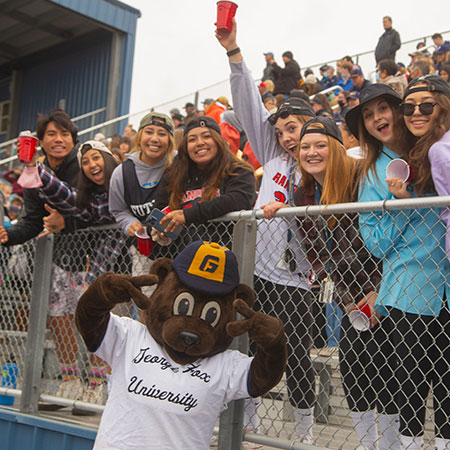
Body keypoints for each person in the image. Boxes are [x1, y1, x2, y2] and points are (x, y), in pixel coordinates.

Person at [263, 117, 400, 450]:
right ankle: (369, 445)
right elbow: (319, 259)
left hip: (389, 289)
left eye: (320, 145)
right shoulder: (304, 193)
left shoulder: (361, 178)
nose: (311, 152)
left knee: (392, 378)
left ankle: (394, 446)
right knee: (354, 373)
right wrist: (349, 300)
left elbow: (393, 236)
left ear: (337, 148)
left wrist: (378, 291)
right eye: (305, 147)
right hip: (351, 299)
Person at [216, 18, 318, 444]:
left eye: (293, 129)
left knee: (297, 360)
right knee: (249, 348)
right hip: (256, 273)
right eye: (280, 132)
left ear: (313, 128)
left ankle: (305, 434)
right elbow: (248, 105)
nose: (286, 137)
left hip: (298, 279)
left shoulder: (324, 161)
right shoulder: (273, 156)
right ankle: (249, 422)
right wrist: (234, 52)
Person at [346, 83, 449, 450]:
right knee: (412, 386)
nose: (378, 120)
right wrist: (401, 203)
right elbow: (375, 243)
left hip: (448, 284)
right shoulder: (373, 174)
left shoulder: (436, 149)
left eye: (383, 109)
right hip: (410, 291)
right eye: (369, 116)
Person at [0, 109, 95, 402]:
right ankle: (70, 382)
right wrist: (9, 235)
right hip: (59, 259)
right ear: (40, 141)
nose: (59, 139)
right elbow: (31, 220)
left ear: (73, 139)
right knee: (60, 318)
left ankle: (96, 385)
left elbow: (100, 212)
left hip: (96, 258)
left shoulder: (86, 165)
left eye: (65, 134)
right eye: (51, 134)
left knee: (94, 318)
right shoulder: (34, 172)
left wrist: (68, 223)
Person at [152, 115, 256, 249]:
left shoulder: (239, 170)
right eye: (192, 139)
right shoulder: (174, 174)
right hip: (184, 258)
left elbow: (238, 199)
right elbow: (160, 208)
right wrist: (162, 229)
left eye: (206, 136)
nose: (199, 142)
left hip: (227, 255)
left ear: (218, 141)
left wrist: (187, 215)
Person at [108, 112, 176, 278]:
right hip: (144, 253)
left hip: (180, 250)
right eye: (149, 132)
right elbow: (118, 209)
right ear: (139, 137)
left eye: (162, 134)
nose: (154, 138)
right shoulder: (122, 172)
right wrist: (129, 222)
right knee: (148, 302)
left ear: (170, 141)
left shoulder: (178, 165)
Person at [402, 74, 450, 263]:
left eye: (426, 105)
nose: (416, 112)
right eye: (408, 107)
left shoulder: (439, 150)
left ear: (444, 108)